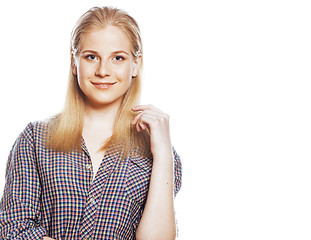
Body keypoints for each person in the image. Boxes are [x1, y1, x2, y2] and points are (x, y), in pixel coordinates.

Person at [0, 6, 182, 240]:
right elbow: (14, 229)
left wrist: (163, 153)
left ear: (135, 64)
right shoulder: (35, 139)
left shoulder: (160, 153)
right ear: (74, 62)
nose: (103, 71)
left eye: (118, 58)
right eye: (91, 57)